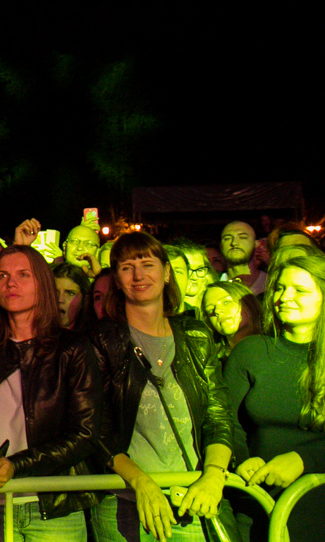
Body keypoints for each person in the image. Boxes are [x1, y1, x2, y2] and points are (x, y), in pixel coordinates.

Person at [88, 232, 235, 542]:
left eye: (147, 264)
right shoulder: (102, 339)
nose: (139, 275)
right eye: (127, 267)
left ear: (167, 273)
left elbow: (218, 416)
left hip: (193, 497)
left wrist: (213, 476)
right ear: (116, 279)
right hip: (126, 502)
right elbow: (96, 429)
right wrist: (141, 482)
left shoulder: (195, 335)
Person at [0, 246, 101, 541]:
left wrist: (16, 466)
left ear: (42, 284)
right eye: (2, 275)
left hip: (54, 507)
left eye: (23, 275)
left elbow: (85, 432)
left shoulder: (72, 348)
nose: (10, 283)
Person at [225, 255, 325, 541]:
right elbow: (227, 422)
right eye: (279, 288)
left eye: (300, 290)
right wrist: (241, 459)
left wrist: (306, 459)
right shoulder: (252, 352)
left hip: (317, 507)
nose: (284, 297)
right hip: (258, 502)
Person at [200, 281, 262, 364]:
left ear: (248, 302)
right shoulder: (213, 362)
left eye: (226, 302)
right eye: (210, 310)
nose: (217, 311)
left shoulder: (274, 346)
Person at [221, 221, 267, 294]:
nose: (234, 243)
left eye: (242, 237)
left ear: (256, 243)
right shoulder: (212, 284)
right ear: (221, 245)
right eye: (227, 238)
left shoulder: (270, 284)